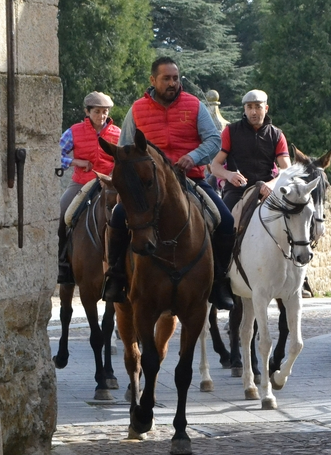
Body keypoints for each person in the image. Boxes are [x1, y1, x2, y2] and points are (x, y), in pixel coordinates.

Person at [101, 56, 236, 310]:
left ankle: (219, 280)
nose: (172, 83)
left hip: (190, 180)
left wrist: (193, 157)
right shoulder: (137, 109)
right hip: (148, 187)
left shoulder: (195, 106)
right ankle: (116, 276)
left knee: (226, 221)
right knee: (118, 217)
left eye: (176, 78)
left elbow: (213, 141)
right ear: (153, 80)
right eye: (167, 78)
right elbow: (123, 150)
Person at [57, 91, 122, 285]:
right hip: (81, 182)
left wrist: (111, 177)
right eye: (97, 112)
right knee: (62, 215)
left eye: (105, 112)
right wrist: (75, 160)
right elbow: (54, 153)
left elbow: (124, 159)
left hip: (110, 184)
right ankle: (62, 263)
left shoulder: (118, 133)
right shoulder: (74, 131)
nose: (101, 116)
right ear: (87, 111)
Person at [210, 89, 291, 211]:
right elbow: (215, 165)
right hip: (236, 192)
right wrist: (229, 175)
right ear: (245, 109)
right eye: (249, 107)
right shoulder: (231, 131)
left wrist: (272, 184)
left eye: (258, 107)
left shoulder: (277, 135)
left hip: (267, 191)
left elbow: (287, 170)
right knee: (224, 222)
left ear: (266, 108)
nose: (253, 112)